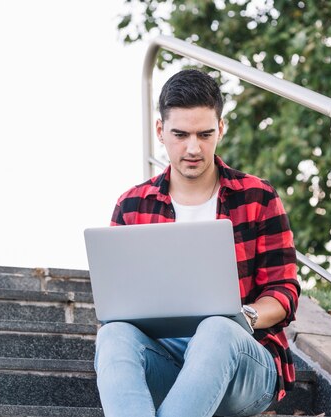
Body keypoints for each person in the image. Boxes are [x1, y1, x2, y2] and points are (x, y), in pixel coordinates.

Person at [94, 69, 300, 417]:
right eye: (181, 134)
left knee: (217, 327)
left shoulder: (257, 197)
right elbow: (116, 307)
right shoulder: (132, 205)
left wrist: (245, 316)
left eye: (205, 134)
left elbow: (284, 291)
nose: (193, 148)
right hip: (167, 363)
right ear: (161, 131)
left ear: (221, 128)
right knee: (113, 334)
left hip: (243, 365)